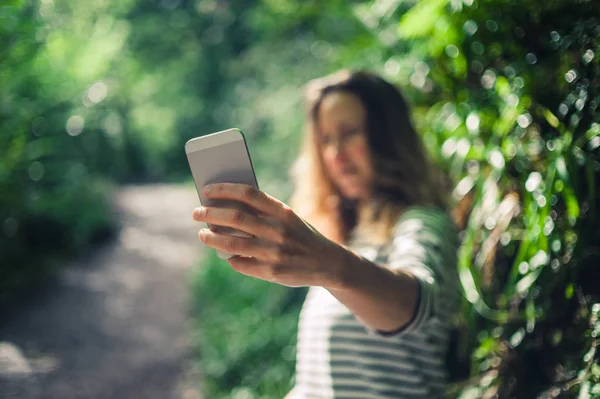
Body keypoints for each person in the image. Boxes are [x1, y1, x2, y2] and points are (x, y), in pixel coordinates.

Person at [192, 70, 459, 398]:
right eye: (326, 140)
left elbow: (417, 304)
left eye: (350, 133)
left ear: (387, 138)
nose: (336, 154)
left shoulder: (422, 222)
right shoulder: (349, 239)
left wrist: (330, 265)